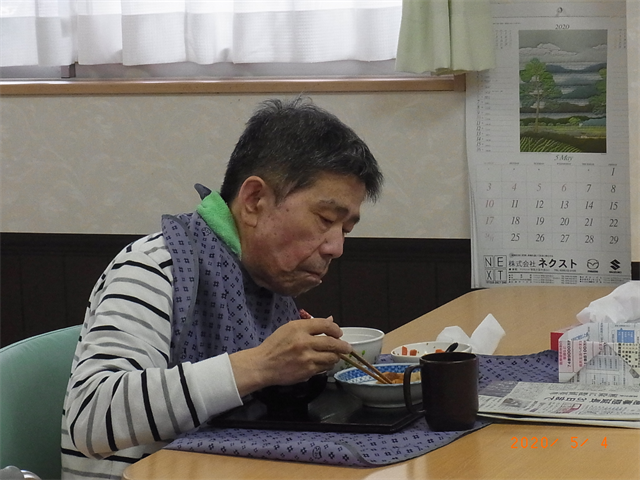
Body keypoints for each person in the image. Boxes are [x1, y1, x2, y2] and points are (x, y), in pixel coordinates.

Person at [60, 97, 384, 479]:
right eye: (326, 219)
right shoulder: (156, 266)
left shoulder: (266, 280)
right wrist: (262, 364)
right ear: (254, 200)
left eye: (345, 230)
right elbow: (90, 418)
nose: (336, 247)